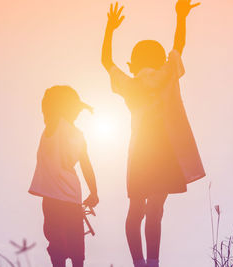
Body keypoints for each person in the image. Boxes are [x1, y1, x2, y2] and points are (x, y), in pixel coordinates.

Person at [101, 1, 205, 267]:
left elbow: (106, 62)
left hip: (139, 153)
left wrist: (110, 30)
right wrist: (180, 16)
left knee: (135, 210)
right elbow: (178, 46)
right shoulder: (167, 73)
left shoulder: (129, 82)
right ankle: (153, 262)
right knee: (155, 211)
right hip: (166, 153)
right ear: (160, 59)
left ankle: (139, 262)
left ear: (132, 63)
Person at [29, 85, 99, 267]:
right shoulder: (57, 124)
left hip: (58, 198)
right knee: (72, 246)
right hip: (69, 197)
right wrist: (94, 192)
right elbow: (86, 165)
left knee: (61, 245)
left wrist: (94, 192)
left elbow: (86, 165)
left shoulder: (62, 128)